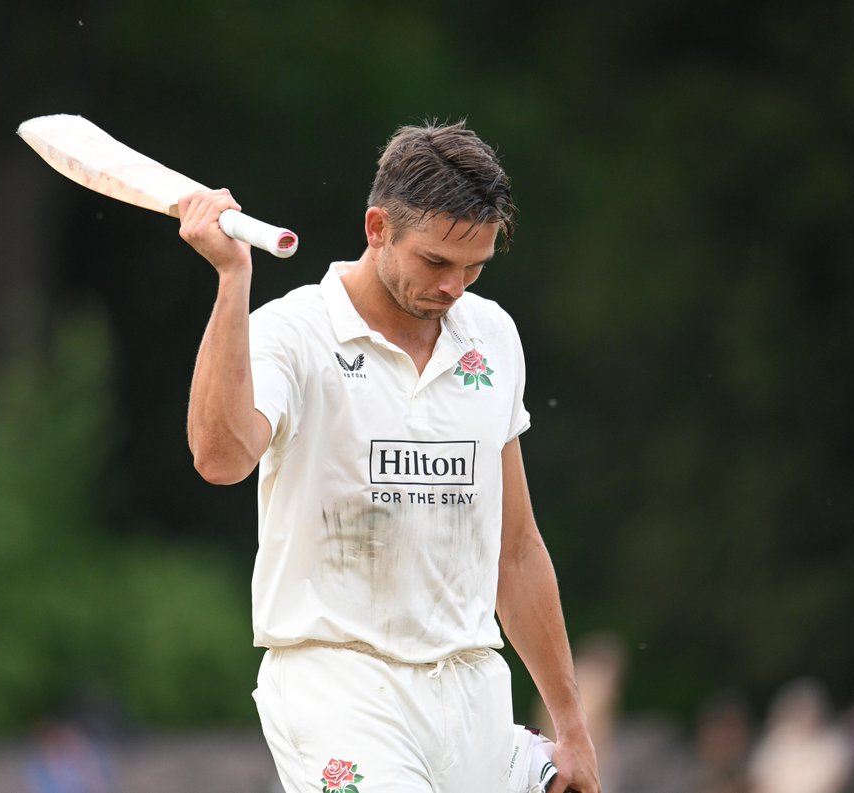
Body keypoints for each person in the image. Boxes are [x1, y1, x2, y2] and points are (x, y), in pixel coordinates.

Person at [178, 120, 600, 793]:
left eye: (475, 266)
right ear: (377, 227)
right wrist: (233, 281)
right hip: (338, 685)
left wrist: (573, 727)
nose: (456, 285)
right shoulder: (294, 333)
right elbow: (220, 457)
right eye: (437, 262)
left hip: (470, 691)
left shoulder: (491, 336)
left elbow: (515, 549)